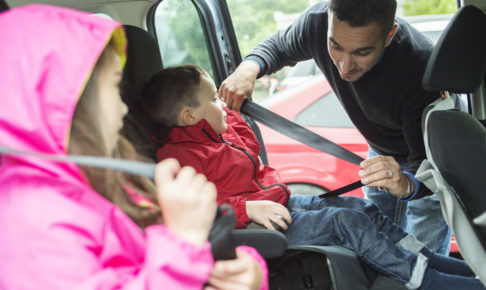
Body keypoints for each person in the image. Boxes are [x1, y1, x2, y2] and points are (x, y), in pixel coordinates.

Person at [135, 64, 484, 290]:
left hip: (281, 202)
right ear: (188, 115)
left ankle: (427, 258)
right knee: (346, 223)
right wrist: (246, 209)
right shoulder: (179, 158)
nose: (221, 103)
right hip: (257, 224)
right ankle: (422, 279)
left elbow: (249, 147)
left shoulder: (218, 132)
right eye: (212, 98)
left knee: (362, 209)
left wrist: (230, 114)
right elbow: (188, 208)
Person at [0, 5, 268, 290]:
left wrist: (244, 272)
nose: (123, 107)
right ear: (66, 105)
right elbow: (174, 258)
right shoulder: (29, 227)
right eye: (115, 88)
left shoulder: (109, 183)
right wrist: (184, 244)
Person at [218, 0, 452, 255]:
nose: (345, 65)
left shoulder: (418, 68)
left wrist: (407, 186)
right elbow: (278, 46)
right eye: (335, 46)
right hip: (378, 155)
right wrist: (248, 69)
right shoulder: (317, 22)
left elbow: (427, 168)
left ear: (389, 36)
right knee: (380, 249)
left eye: (362, 52)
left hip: (426, 162)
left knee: (424, 262)